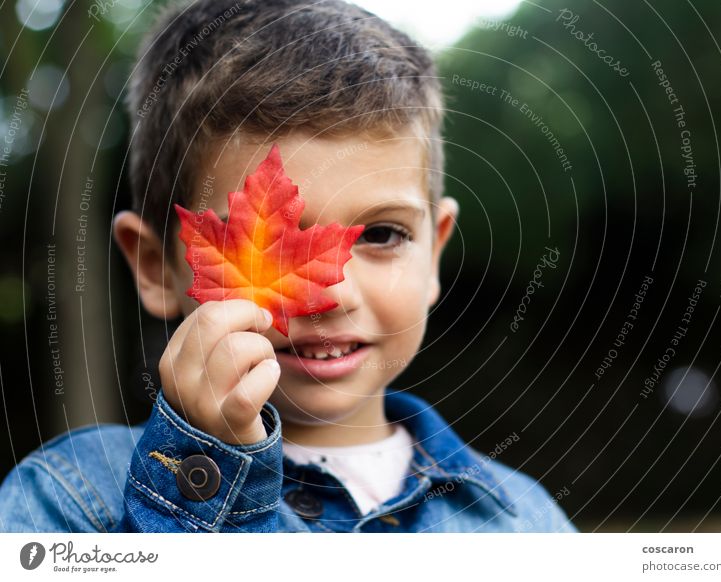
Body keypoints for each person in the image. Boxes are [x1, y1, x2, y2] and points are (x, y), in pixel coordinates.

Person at [0, 0, 577, 533]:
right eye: (278, 246)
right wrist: (210, 471)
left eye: (381, 234)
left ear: (434, 252)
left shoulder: (528, 523)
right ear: (155, 267)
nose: (330, 293)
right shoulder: (67, 501)